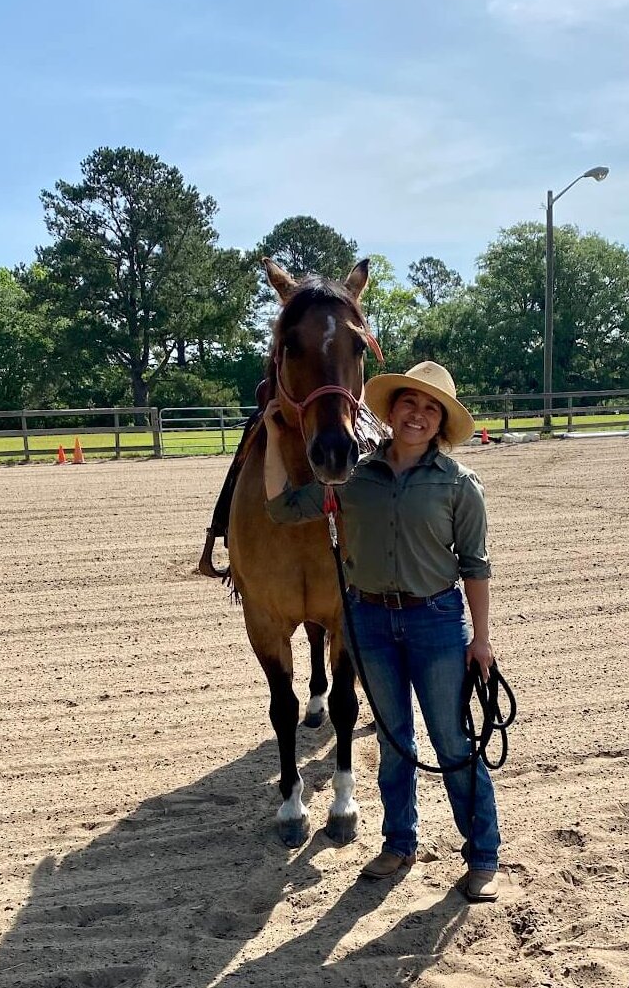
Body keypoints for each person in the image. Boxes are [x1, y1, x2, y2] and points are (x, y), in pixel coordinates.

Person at [264, 360, 501, 903]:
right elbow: (281, 509)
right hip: (368, 622)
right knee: (395, 740)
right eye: (408, 404)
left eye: (429, 409)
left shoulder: (460, 485)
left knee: (452, 741)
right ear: (390, 411)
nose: (417, 415)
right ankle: (399, 842)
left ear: (440, 422)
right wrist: (275, 433)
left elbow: (476, 566)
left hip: (436, 623)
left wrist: (481, 640)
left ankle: (483, 854)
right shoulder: (352, 478)